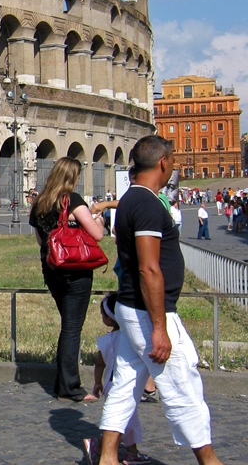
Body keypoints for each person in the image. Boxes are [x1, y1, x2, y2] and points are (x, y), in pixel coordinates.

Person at [95, 135, 226, 465]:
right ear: (163, 163)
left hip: (131, 307)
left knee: (125, 383)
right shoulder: (148, 205)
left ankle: (109, 454)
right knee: (183, 382)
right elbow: (149, 268)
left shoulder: (128, 200)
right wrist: (159, 327)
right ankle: (209, 460)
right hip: (149, 312)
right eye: (173, 162)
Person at [29, 156, 104, 402]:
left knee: (68, 326)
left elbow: (41, 240)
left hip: (51, 270)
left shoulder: (39, 202)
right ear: (73, 177)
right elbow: (97, 235)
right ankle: (70, 388)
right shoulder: (71, 200)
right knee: (72, 328)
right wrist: (98, 220)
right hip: (75, 271)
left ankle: (63, 383)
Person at [83, 294, 151, 465]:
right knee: (127, 419)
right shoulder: (129, 339)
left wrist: (97, 383)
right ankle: (107, 446)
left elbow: (100, 365)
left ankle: (128, 451)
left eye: (103, 315)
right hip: (124, 383)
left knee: (125, 419)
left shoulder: (106, 340)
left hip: (109, 384)